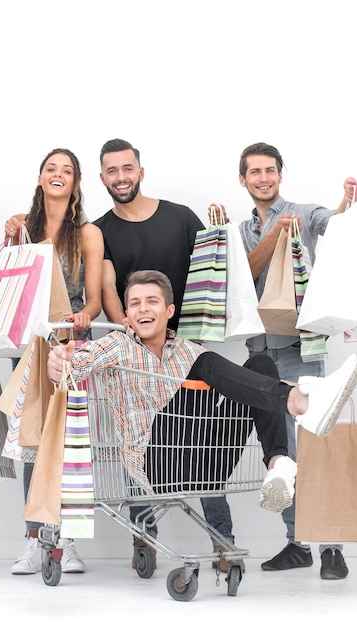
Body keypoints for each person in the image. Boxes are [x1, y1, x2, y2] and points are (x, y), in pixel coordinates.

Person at [47, 270, 357, 540]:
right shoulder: (116, 346)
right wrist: (59, 362)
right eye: (135, 303)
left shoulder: (188, 350)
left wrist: (305, 385)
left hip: (208, 462)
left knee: (260, 365)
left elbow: (244, 383)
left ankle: (279, 462)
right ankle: (299, 403)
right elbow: (76, 363)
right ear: (127, 315)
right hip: (157, 465)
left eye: (152, 301)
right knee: (204, 365)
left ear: (169, 310)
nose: (143, 309)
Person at [212, 141, 357, 580]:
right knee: (281, 453)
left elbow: (335, 228)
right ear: (243, 179)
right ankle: (297, 542)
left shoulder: (302, 211)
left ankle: (332, 547)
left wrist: (346, 203)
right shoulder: (240, 231)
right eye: (254, 172)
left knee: (317, 444)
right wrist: (256, 234)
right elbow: (244, 272)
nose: (263, 178)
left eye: (270, 170)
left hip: (301, 349)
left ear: (280, 174)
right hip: (260, 355)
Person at [94, 138, 239, 570]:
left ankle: (221, 540)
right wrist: (130, 336)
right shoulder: (101, 230)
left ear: (141, 171)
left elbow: (216, 265)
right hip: (136, 354)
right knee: (133, 438)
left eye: (127, 169)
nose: (120, 177)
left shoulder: (180, 218)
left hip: (188, 351)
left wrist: (221, 234)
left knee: (203, 440)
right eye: (111, 171)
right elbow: (106, 290)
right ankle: (144, 536)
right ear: (102, 177)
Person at [5, 148, 104, 576]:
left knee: (69, 445)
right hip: (31, 349)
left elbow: (96, 300)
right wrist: (11, 236)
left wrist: (84, 315)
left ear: (76, 183)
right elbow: (8, 286)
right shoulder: (21, 229)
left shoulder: (88, 233)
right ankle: (35, 539)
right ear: (41, 178)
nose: (58, 175)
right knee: (31, 446)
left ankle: (68, 541)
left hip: (70, 348)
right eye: (51, 169)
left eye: (67, 170)